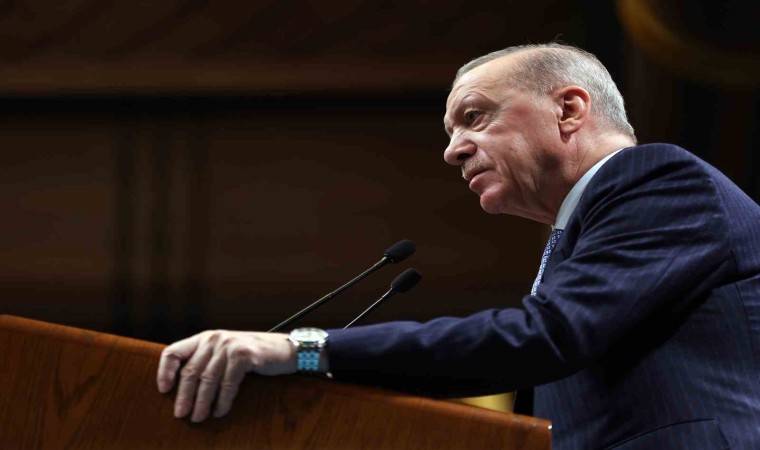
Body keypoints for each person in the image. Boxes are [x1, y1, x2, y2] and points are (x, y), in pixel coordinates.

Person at [156, 43, 760, 449]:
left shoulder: (658, 180)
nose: (453, 151)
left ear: (569, 109)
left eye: (474, 117)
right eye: (451, 132)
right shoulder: (583, 232)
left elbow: (545, 337)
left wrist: (304, 350)